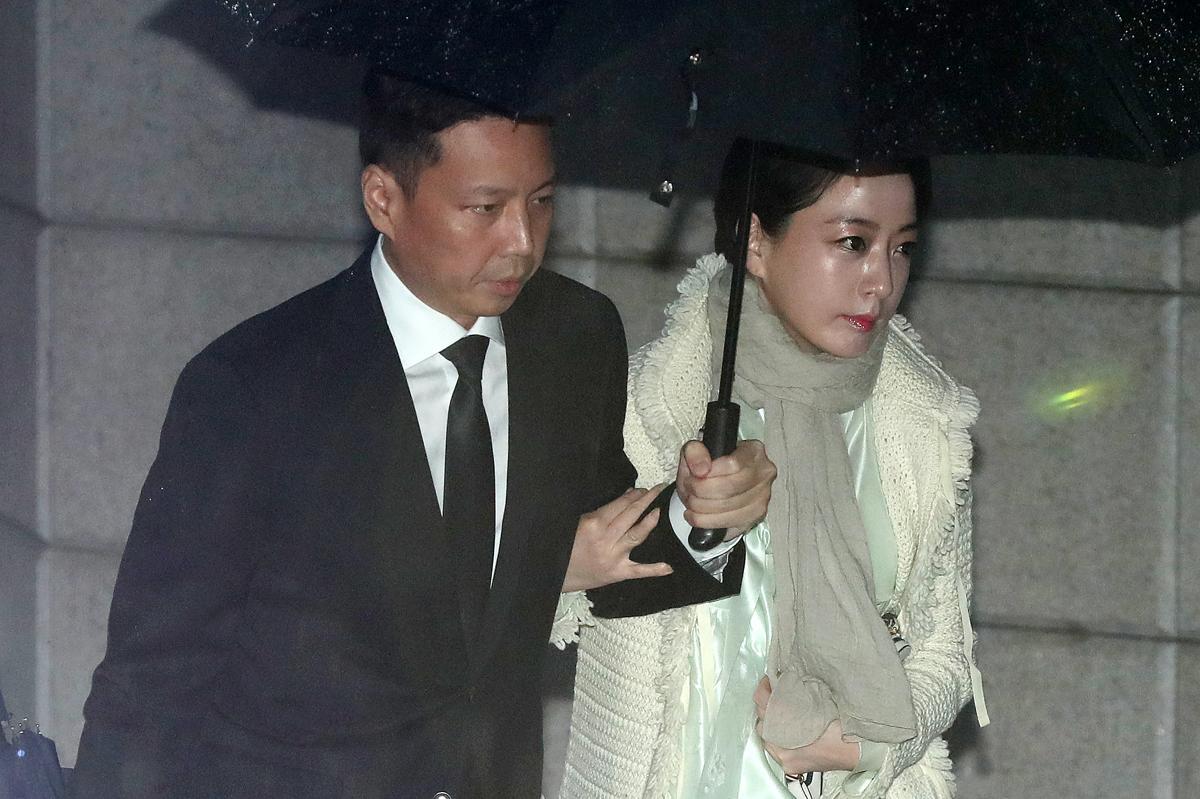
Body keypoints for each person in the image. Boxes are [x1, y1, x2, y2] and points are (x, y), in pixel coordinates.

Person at [67, 76, 776, 799]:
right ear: (384, 200)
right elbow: (152, 679)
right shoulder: (254, 385)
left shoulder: (575, 335)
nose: (522, 242)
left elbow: (599, 545)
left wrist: (705, 513)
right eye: (485, 209)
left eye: (541, 201)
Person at [560, 142, 988, 799]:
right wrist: (679, 514)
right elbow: (539, 599)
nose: (881, 280)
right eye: (853, 243)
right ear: (755, 239)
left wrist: (871, 746)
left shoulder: (923, 421)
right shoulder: (645, 400)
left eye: (902, 247)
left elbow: (947, 652)